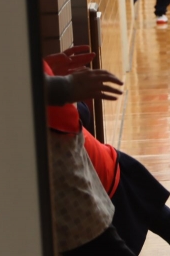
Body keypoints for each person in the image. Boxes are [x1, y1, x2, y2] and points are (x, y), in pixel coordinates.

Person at [46, 47, 170, 256]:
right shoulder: (37, 86)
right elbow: (82, 114)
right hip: (106, 168)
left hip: (94, 191)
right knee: (155, 211)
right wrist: (62, 86)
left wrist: (56, 83)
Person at [43, 50, 134, 255]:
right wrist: (63, 86)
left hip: (68, 154)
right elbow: (11, 83)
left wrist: (47, 71)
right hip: (61, 172)